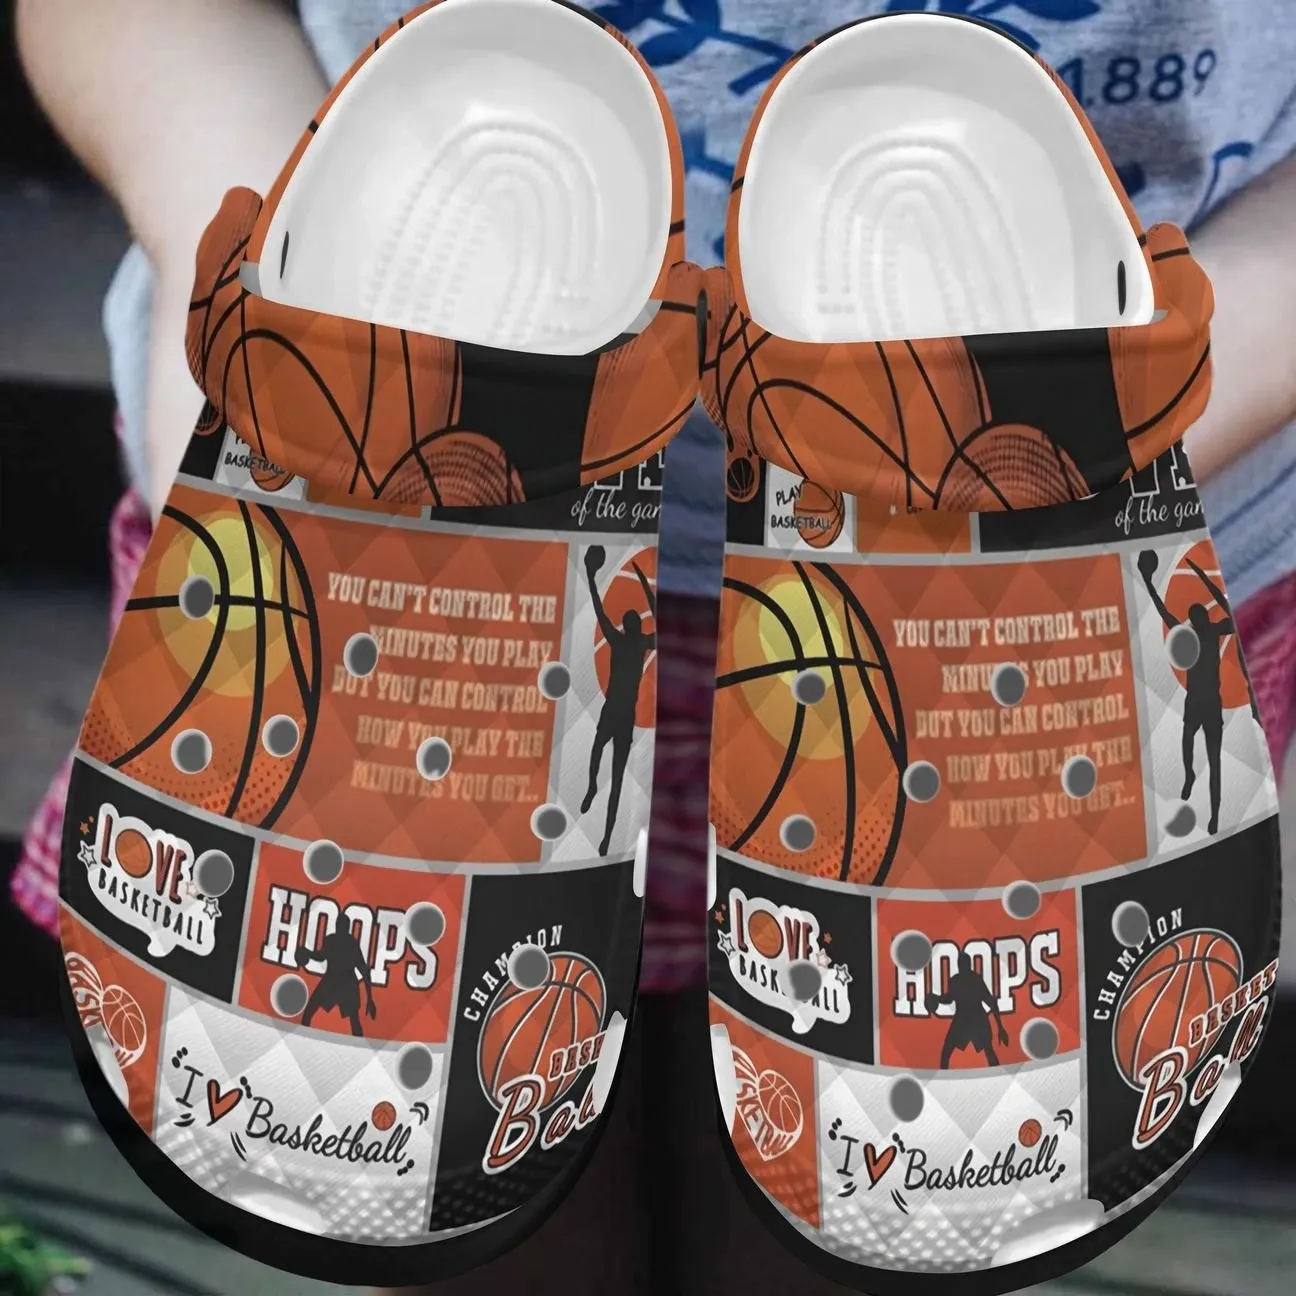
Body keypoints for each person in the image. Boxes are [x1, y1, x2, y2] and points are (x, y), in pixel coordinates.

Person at [13, 3, 1296, 1293]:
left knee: (872, 1212)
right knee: (456, 1197)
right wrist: (234, 235)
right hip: (375, 476)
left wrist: (1129, 421)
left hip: (1091, 546)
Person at [580, 544, 657, 856]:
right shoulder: (635, 643)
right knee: (605, 762)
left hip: (618, 712)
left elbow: (601, 611)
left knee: (609, 765)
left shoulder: (629, 642)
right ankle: (593, 794)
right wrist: (590, 576)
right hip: (618, 712)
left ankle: (606, 831)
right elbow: (600, 612)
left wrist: (591, 577)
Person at [926, 952, 1011, 1069]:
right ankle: (943, 1077)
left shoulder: (975, 980)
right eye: (960, 964)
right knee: (946, 1051)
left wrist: (1000, 1027)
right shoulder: (956, 981)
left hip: (977, 1020)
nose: (962, 967)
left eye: (964, 964)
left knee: (988, 1051)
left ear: (968, 964)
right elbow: (949, 998)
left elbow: (991, 1003)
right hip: (964, 1020)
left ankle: (998, 1075)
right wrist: (937, 998)